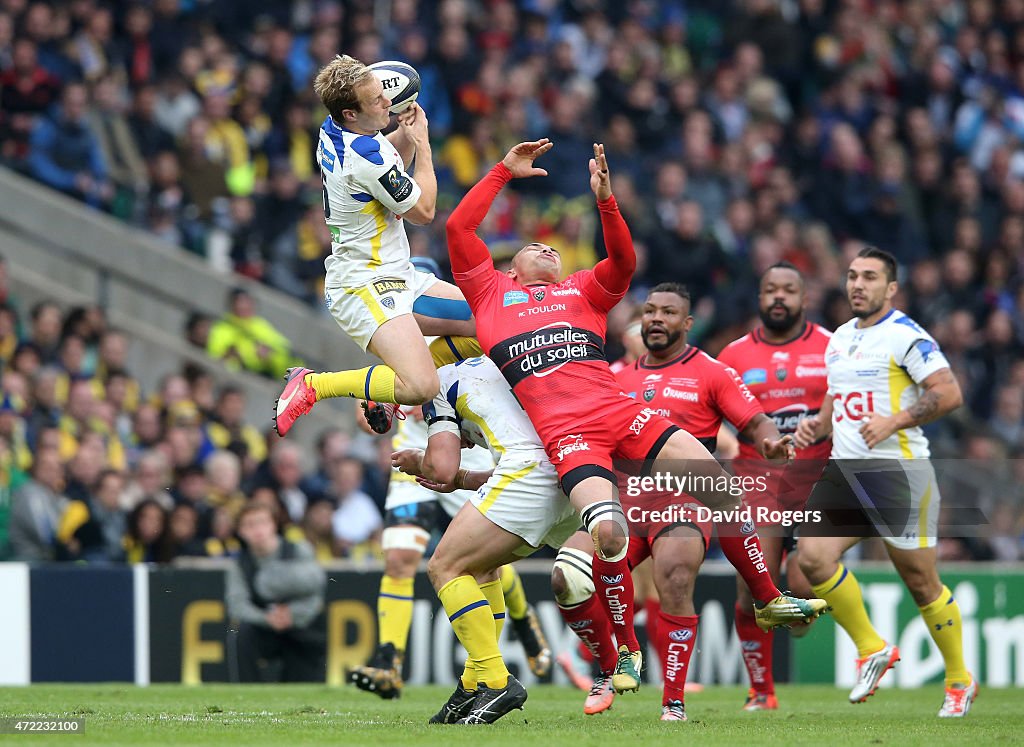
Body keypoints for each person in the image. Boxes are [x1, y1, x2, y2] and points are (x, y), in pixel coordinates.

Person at [445, 139, 826, 710]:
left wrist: (606, 202)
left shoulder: (582, 291)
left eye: (552, 248)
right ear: (508, 267)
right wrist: (502, 171)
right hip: (567, 434)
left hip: (620, 412)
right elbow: (458, 226)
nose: (545, 248)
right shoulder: (489, 293)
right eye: (532, 245)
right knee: (608, 533)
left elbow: (623, 262)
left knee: (719, 484)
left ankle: (769, 596)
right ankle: (623, 651)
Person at [554, 282, 795, 721]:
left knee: (674, 577)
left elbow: (754, 420)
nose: (656, 319)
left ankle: (673, 702)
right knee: (567, 576)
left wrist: (772, 441)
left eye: (667, 313)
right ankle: (606, 665)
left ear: (687, 323)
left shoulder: (711, 372)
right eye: (650, 311)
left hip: (683, 502)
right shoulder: (613, 377)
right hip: (622, 502)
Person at [794, 246, 975, 717]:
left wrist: (894, 421)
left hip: (900, 475)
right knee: (811, 556)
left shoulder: (906, 336)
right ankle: (872, 647)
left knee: (921, 585)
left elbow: (949, 392)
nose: (857, 284)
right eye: (852, 276)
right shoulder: (838, 339)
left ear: (890, 288)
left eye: (869, 277)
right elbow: (838, 397)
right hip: (846, 472)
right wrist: (819, 423)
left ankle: (959, 679)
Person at [273, 54, 479, 438]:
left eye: (383, 92)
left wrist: (401, 132)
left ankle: (382, 386)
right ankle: (315, 385)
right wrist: (423, 143)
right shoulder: (363, 157)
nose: (387, 102)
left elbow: (386, 161)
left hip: (398, 274)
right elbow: (424, 210)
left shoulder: (333, 127)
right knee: (422, 387)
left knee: (487, 327)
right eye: (376, 100)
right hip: (363, 285)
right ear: (351, 113)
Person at [390, 355, 581, 724]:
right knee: (481, 569)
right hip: (565, 479)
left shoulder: (434, 383)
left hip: (530, 474)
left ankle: (496, 681)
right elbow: (505, 466)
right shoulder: (499, 371)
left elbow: (440, 466)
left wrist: (421, 459)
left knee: (445, 566)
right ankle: (471, 685)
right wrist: (460, 477)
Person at [347, 382, 551, 701]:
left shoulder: (461, 337)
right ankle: (389, 663)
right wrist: (384, 408)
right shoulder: (393, 340)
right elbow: (365, 419)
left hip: (468, 457)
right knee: (399, 558)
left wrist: (438, 406)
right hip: (413, 462)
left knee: (484, 558)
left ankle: (523, 619)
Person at [717, 261, 832, 711]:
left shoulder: (831, 347)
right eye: (770, 290)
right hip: (757, 484)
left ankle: (805, 605)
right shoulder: (733, 355)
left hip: (816, 481)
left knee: (805, 591)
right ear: (759, 298)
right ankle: (761, 691)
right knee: (754, 589)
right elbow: (715, 418)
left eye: (788, 290)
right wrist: (727, 444)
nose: (778, 297)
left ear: (804, 298)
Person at [226, 502, 327, 682]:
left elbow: (316, 590)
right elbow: (237, 605)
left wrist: (291, 614)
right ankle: (246, 692)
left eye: (262, 522)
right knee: (241, 633)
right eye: (250, 525)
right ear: (241, 531)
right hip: (265, 629)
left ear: (273, 524)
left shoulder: (298, 549)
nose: (258, 530)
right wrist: (267, 618)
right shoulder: (239, 564)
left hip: (300, 625)